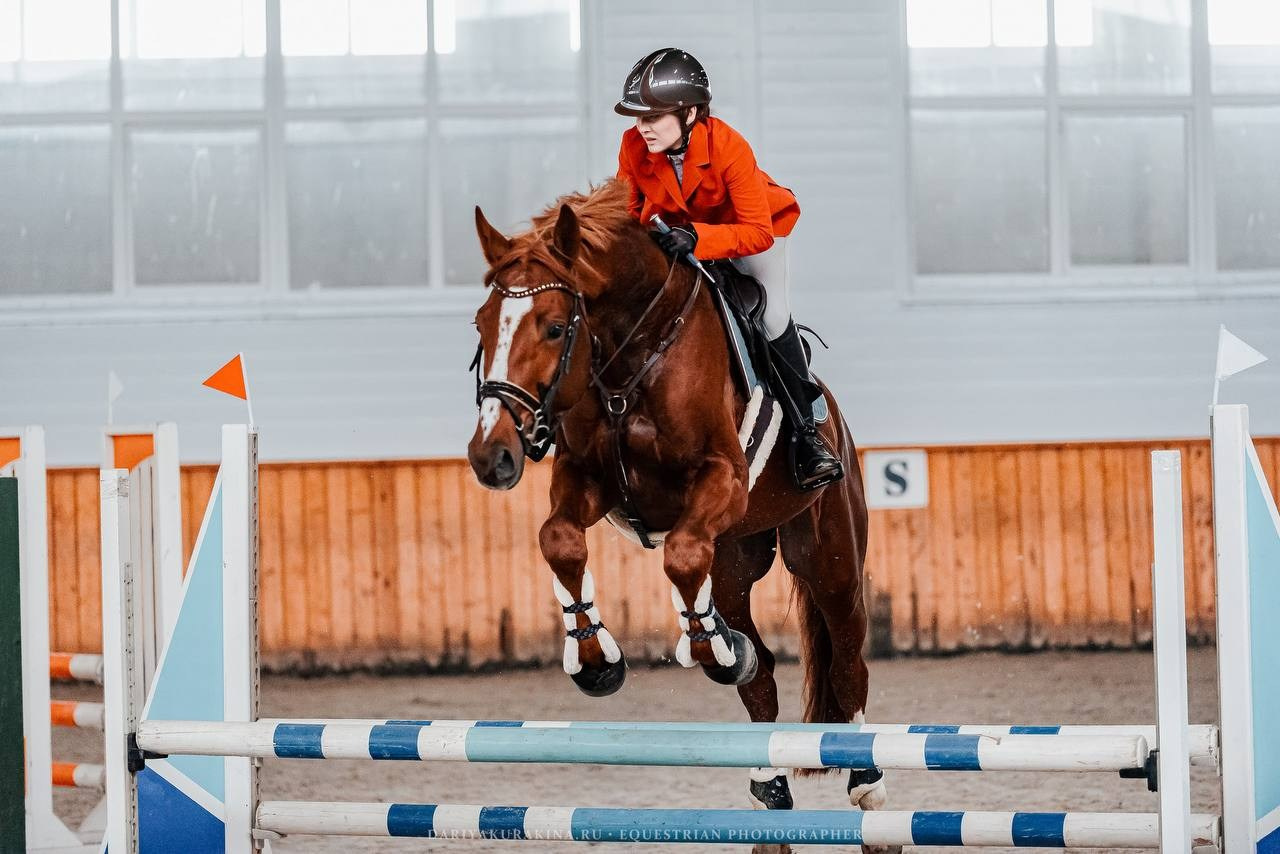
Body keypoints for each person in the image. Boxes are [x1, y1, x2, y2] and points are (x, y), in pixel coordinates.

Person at [613, 47, 843, 490]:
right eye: (638, 117)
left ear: (691, 113)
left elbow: (755, 231)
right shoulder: (633, 146)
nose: (642, 127)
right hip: (685, 238)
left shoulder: (730, 146)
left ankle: (808, 434)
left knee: (772, 316)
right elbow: (628, 211)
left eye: (654, 117)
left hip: (755, 234)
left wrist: (698, 238)